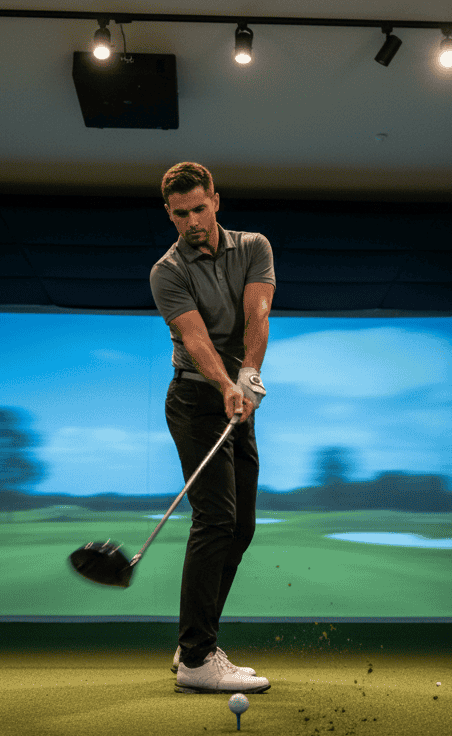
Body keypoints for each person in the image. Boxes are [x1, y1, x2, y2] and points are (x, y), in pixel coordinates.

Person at [150, 162, 275, 694]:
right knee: (215, 518)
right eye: (181, 214)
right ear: (169, 214)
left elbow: (257, 315)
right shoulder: (167, 271)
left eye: (199, 209)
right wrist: (226, 385)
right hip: (195, 399)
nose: (192, 221)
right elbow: (195, 339)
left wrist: (247, 379)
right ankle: (198, 659)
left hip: (234, 398)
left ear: (216, 201)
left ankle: (194, 644)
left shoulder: (254, 247)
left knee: (240, 527)